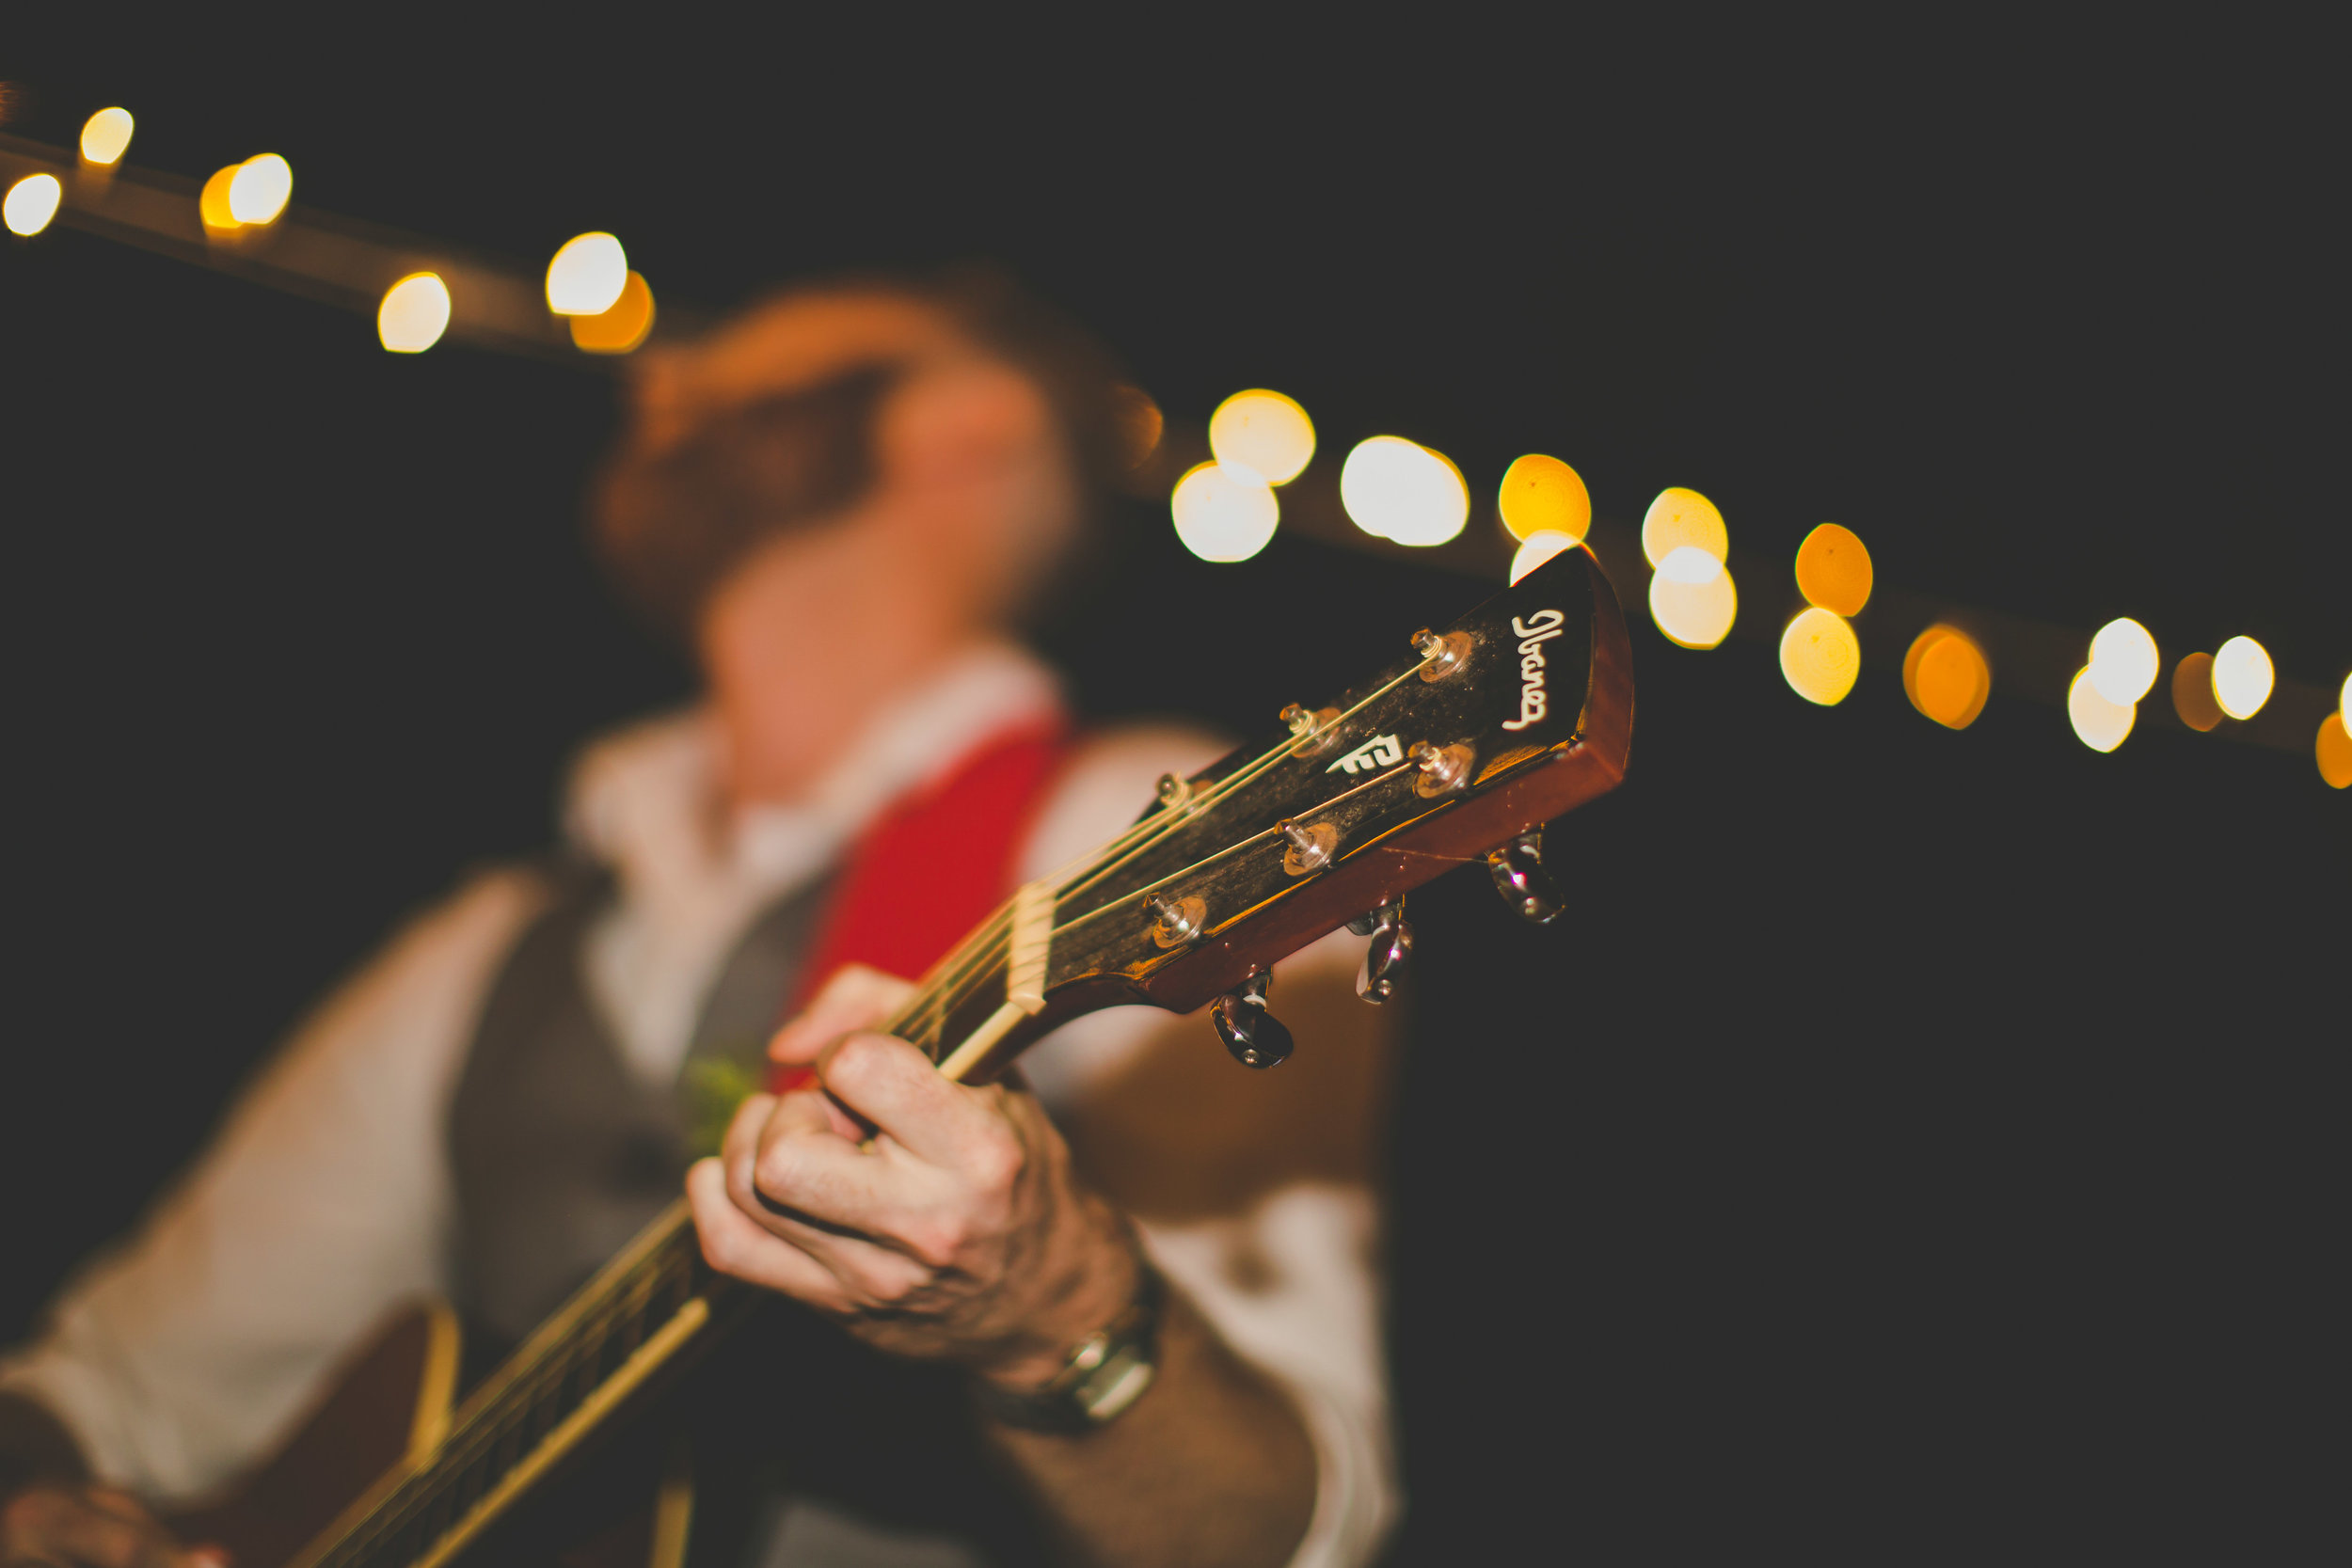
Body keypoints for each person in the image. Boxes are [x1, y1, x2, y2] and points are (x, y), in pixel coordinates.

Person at [0, 274, 1397, 1567]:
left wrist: (1056, 1306)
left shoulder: (1133, 832)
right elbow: (120, 1389)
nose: (669, 364)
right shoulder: (496, 940)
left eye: (764, 339)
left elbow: (1291, 1527)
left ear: (976, 424)